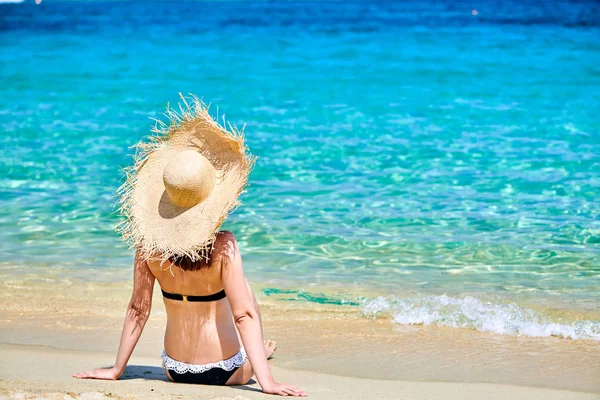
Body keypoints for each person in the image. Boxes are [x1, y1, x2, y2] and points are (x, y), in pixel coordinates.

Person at [73, 97, 306, 397]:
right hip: (227, 371)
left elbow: (137, 309)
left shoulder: (148, 247)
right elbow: (243, 316)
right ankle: (259, 354)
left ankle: (256, 353)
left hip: (175, 369)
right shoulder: (224, 245)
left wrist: (116, 370)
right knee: (244, 291)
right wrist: (267, 383)